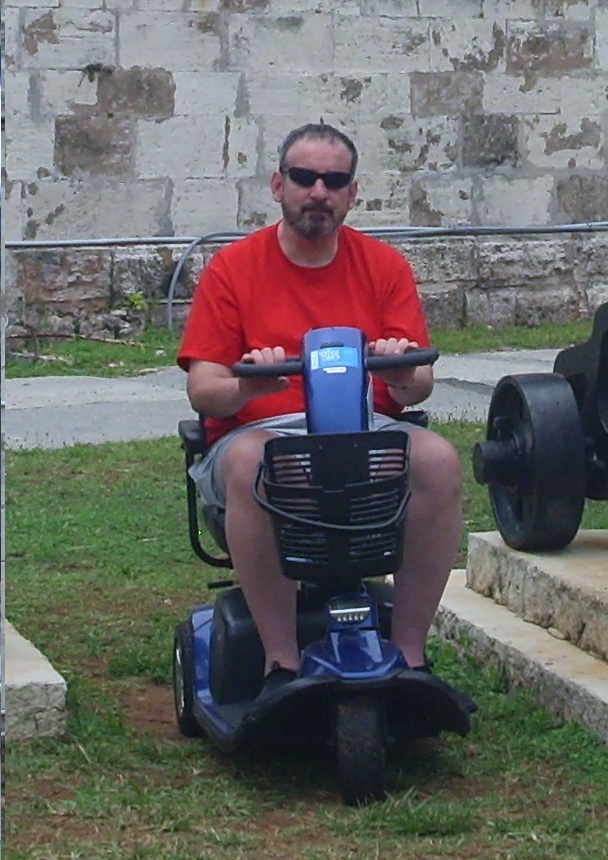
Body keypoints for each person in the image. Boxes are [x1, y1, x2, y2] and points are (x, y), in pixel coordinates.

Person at [178, 122, 462, 699]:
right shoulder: (232, 269)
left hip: (364, 430)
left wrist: (403, 373)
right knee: (258, 463)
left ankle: (409, 653)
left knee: (437, 459)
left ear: (352, 194)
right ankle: (280, 663)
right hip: (260, 429)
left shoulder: (384, 267)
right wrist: (249, 388)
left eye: (334, 181)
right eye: (305, 178)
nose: (318, 193)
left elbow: (420, 383)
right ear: (278, 185)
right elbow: (204, 387)